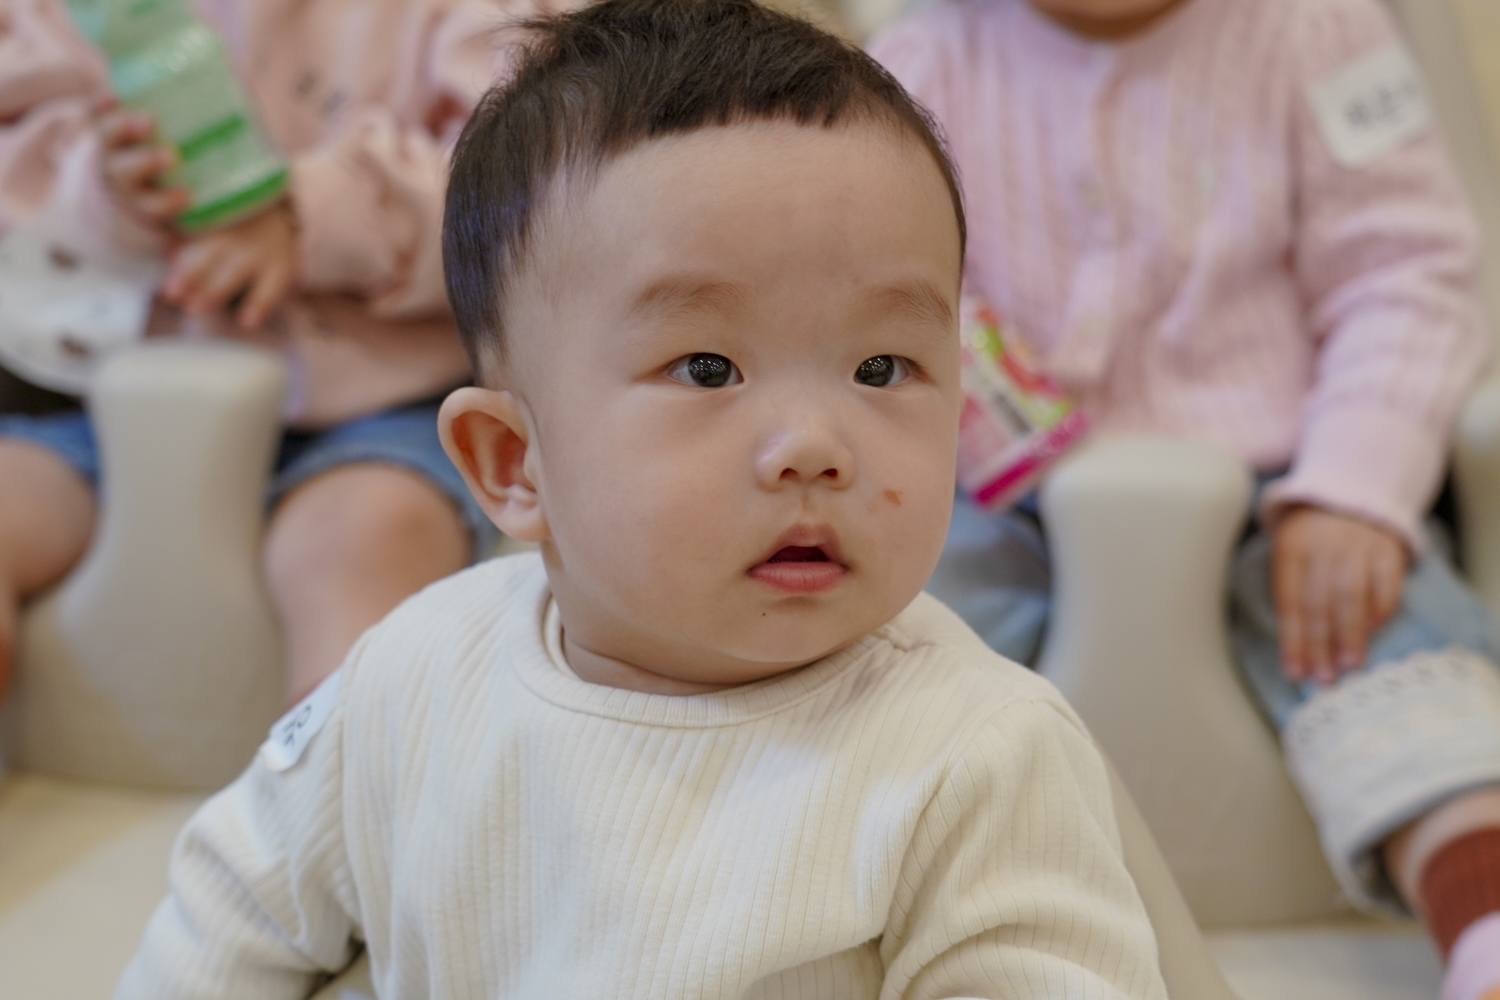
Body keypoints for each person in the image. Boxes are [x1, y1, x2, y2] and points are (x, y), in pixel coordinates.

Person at [112, 1, 1170, 996]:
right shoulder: (405, 679)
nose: (815, 445)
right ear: (514, 462)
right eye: (708, 369)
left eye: (882, 368)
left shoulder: (979, 755)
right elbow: (230, 914)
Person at [868, 0, 1500, 995]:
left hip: (1285, 480)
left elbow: (1405, 270)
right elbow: (878, 292)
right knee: (893, 649)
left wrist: (1356, 482)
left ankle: (1483, 915)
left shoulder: (1316, 31)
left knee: (1384, 633)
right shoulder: (918, 65)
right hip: (994, 485)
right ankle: (896, 921)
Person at [0, 0, 575, 704]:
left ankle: (341, 758)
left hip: (385, 408)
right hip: (117, 407)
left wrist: (311, 211)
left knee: (364, 542)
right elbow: (19, 168)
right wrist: (106, 189)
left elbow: (541, 185)